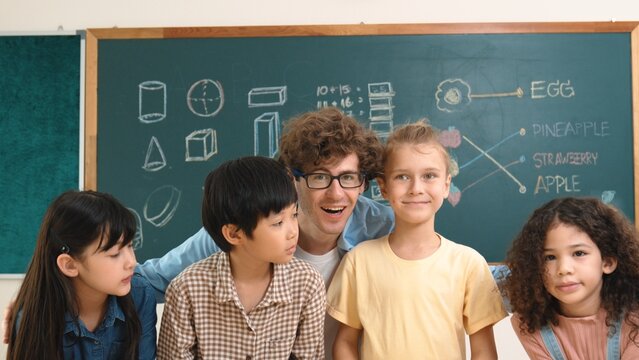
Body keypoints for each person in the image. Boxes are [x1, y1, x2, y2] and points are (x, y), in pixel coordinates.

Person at [327, 120, 507, 359]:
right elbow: (345, 342)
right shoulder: (359, 261)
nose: (416, 188)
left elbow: (483, 350)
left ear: (446, 185)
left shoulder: (468, 263)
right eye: (402, 177)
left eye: (429, 175)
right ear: (383, 188)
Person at [157, 156, 325, 359]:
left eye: (294, 214)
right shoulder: (186, 290)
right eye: (278, 222)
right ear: (234, 234)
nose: (293, 231)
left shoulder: (307, 284)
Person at [6, 190, 157, 360]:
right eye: (115, 254)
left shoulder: (140, 295)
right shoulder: (35, 318)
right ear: (69, 265)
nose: (132, 262)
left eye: (130, 246)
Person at [503, 197, 639, 359]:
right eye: (550, 257)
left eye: (579, 253)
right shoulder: (529, 323)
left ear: (607, 261)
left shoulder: (634, 320)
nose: (563, 269)